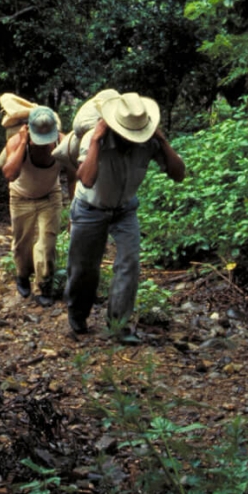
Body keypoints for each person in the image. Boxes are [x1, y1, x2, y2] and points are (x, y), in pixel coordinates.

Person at [54, 91, 185, 341]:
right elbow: (87, 179)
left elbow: (178, 175)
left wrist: (163, 141)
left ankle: (118, 325)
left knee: (130, 263)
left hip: (125, 210)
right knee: (84, 269)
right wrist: (95, 143)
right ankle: (78, 315)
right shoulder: (95, 138)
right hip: (89, 208)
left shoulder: (148, 142)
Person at [2, 106, 75, 306]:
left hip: (50, 196)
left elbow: (72, 176)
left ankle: (44, 284)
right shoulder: (16, 142)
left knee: (47, 242)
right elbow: (10, 174)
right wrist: (24, 141)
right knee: (22, 241)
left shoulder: (63, 142)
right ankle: (23, 275)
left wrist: (73, 212)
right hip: (20, 196)